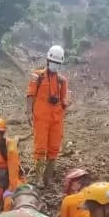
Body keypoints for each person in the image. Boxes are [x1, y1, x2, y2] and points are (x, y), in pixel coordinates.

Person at [27, 45, 69, 187]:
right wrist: (29, 112)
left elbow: (64, 99)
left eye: (57, 63)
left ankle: (48, 178)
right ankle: (38, 178)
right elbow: (30, 95)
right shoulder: (37, 76)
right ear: (47, 60)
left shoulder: (62, 81)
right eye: (53, 62)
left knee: (54, 148)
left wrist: (64, 105)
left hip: (56, 119)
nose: (55, 65)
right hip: (41, 118)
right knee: (40, 148)